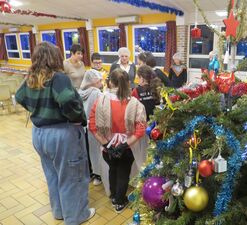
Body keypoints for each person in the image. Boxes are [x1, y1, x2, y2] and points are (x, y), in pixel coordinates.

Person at [15, 42, 95, 224]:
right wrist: (77, 118)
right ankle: (76, 216)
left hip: (39, 134)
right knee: (71, 176)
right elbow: (67, 101)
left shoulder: (32, 77)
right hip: (61, 133)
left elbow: (19, 97)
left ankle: (59, 212)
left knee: (52, 175)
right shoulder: (58, 77)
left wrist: (38, 110)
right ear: (55, 57)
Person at [89, 69, 148, 213]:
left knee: (112, 169)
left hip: (107, 144)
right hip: (127, 147)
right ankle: (120, 202)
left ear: (110, 82)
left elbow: (92, 125)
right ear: (128, 83)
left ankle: (114, 196)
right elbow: (141, 129)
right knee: (123, 172)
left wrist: (105, 144)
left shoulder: (100, 100)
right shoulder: (135, 103)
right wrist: (124, 145)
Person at [78, 69, 104, 186]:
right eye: (99, 80)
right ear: (94, 81)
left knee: (86, 150)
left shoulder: (80, 92)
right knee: (96, 151)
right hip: (94, 126)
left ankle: (89, 173)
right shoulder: (96, 93)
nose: (101, 83)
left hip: (83, 126)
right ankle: (98, 174)